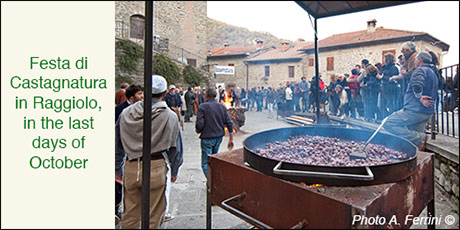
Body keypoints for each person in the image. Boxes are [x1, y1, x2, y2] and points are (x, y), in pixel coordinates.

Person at [115, 75, 183, 229]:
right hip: (156, 165)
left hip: (131, 165)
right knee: (154, 214)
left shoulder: (126, 113)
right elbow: (175, 147)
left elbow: (117, 143)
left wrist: (117, 168)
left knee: (130, 214)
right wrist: (174, 169)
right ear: (165, 93)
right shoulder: (169, 116)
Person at [382, 52, 438, 150]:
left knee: (388, 122)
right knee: (415, 143)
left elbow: (417, 84)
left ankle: (421, 137)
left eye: (416, 60)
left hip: (415, 110)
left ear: (419, 60)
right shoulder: (432, 72)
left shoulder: (420, 70)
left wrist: (419, 97)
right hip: (427, 112)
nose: (415, 62)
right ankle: (419, 155)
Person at [114, 83, 144, 224]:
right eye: (139, 94)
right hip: (126, 152)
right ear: (132, 97)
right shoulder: (120, 110)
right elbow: (116, 136)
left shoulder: (145, 108)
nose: (142, 96)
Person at [195, 87, 234, 177]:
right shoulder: (222, 106)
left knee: (205, 163)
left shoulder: (202, 107)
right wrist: (231, 139)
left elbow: (199, 124)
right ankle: (214, 179)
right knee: (214, 159)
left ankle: (211, 182)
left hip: (207, 137)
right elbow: (229, 122)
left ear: (206, 96)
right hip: (218, 138)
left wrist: (198, 130)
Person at [378, 53, 400, 118]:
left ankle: (391, 119)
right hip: (383, 88)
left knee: (390, 106)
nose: (383, 60)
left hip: (390, 89)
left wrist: (382, 77)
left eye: (385, 58)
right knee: (380, 105)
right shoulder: (385, 68)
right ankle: (386, 118)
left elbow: (393, 79)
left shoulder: (393, 68)